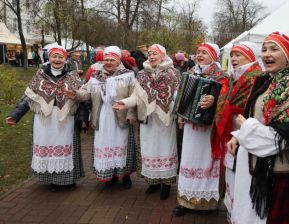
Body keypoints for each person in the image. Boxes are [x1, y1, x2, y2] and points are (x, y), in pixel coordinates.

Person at [227, 31, 289, 224]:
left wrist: (245, 126)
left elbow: (281, 139)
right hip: (256, 164)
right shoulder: (267, 80)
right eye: (264, 49)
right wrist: (238, 136)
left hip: (278, 173)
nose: (267, 54)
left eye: (274, 49)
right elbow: (255, 116)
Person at [5, 44, 85, 192]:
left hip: (65, 119)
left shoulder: (72, 76)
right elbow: (28, 98)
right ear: (49, 57)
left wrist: (82, 115)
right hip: (44, 120)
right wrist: (15, 115)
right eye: (54, 56)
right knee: (47, 148)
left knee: (66, 149)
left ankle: (68, 181)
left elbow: (83, 98)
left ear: (65, 58)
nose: (57, 59)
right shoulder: (40, 74)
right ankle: (50, 179)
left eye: (60, 56)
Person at [113, 44, 180, 200]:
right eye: (149, 53)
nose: (151, 56)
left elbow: (178, 95)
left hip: (165, 119)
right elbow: (137, 96)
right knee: (150, 150)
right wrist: (124, 102)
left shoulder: (173, 73)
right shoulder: (142, 74)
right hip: (147, 119)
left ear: (163, 55)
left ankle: (166, 184)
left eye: (154, 53)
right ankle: (153, 182)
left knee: (165, 149)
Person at [65, 46, 136, 188]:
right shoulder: (95, 76)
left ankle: (125, 176)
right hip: (103, 116)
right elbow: (86, 92)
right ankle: (109, 176)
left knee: (122, 145)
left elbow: (135, 96)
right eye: (106, 59)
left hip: (121, 116)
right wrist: (76, 95)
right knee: (105, 144)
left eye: (112, 59)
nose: (108, 62)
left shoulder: (128, 74)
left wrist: (131, 114)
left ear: (118, 60)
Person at [210, 41, 263, 221]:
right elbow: (226, 102)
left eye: (238, 55)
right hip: (231, 133)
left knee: (242, 178)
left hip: (246, 135)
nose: (233, 58)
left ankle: (241, 215)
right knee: (231, 175)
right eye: (232, 54)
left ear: (250, 57)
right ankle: (233, 214)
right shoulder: (233, 77)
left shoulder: (257, 77)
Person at [173, 42, 228, 216]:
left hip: (208, 130)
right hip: (190, 128)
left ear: (214, 56)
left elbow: (227, 99)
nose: (199, 55)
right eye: (198, 52)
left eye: (204, 52)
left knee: (206, 161)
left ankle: (208, 202)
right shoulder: (190, 73)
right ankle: (185, 200)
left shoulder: (222, 76)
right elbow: (181, 95)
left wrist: (214, 100)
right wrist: (180, 107)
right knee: (188, 160)